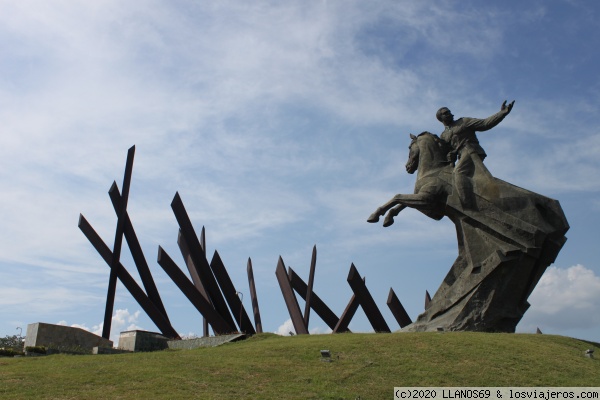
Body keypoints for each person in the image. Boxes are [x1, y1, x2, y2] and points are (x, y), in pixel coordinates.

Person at [437, 100, 515, 209]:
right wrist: (451, 155)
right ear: (440, 118)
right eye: (446, 113)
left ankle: (468, 207)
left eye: (449, 112)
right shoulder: (444, 135)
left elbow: (485, 123)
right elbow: (447, 152)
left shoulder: (463, 121)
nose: (449, 114)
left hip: (471, 151)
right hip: (461, 156)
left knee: (458, 173)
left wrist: (502, 113)